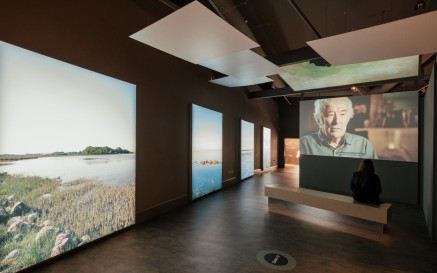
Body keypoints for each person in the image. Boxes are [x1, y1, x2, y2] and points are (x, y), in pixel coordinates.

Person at [300, 97, 378, 159]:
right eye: (330, 114)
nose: (337, 121)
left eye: (342, 114)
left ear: (349, 118)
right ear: (318, 119)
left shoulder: (364, 145)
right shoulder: (304, 144)